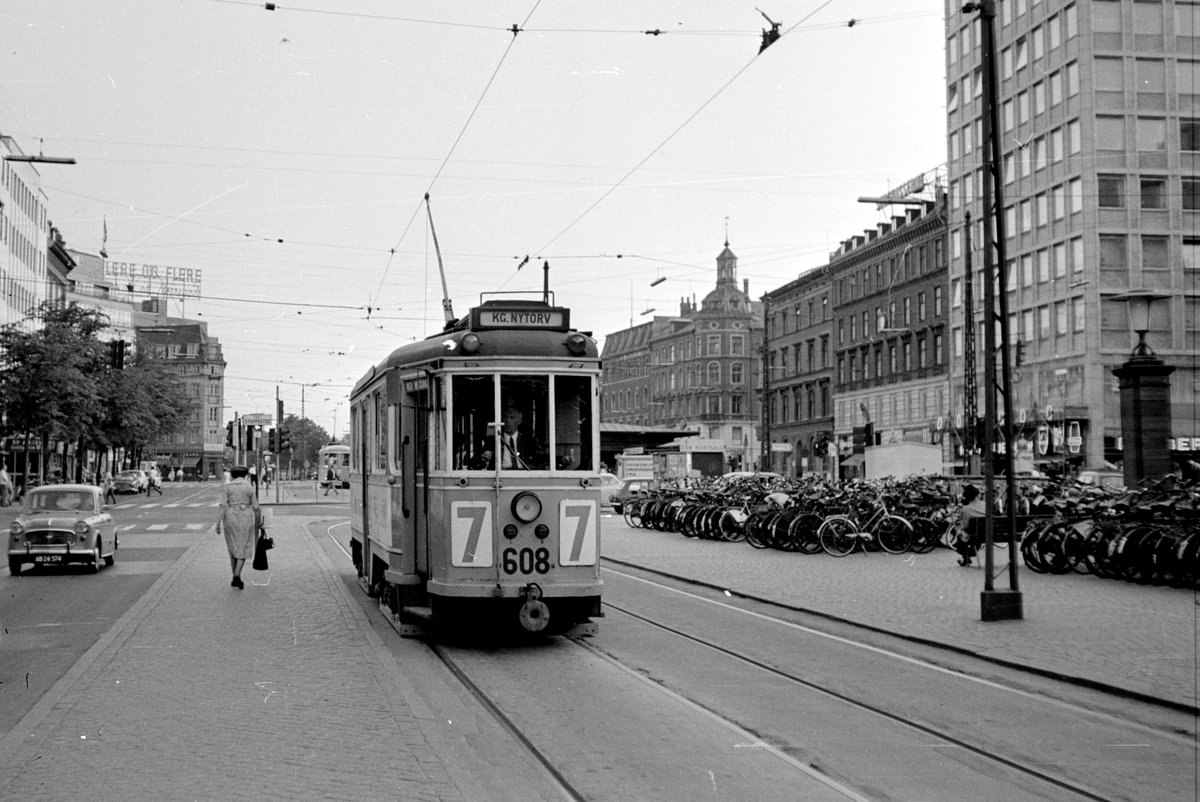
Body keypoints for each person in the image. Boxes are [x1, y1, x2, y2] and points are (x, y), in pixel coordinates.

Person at [216, 465, 260, 589]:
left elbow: (222, 505)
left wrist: (217, 523)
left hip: (230, 517)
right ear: (245, 475)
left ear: (232, 475)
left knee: (233, 548)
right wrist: (258, 522)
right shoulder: (249, 487)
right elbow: (256, 507)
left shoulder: (227, 487)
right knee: (244, 546)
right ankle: (236, 576)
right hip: (245, 516)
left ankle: (236, 577)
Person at [478, 403, 546, 470]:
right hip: (501, 475)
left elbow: (541, 462)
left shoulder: (529, 441)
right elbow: (478, 460)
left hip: (523, 477)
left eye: (512, 418)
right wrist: (484, 458)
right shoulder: (493, 440)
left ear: (520, 421)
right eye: (505, 417)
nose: (508, 420)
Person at [955, 484, 987, 567]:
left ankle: (966, 557)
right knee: (976, 537)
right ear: (977, 495)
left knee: (961, 535)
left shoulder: (966, 509)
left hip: (975, 536)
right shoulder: (986, 505)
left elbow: (965, 526)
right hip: (989, 534)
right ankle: (967, 557)